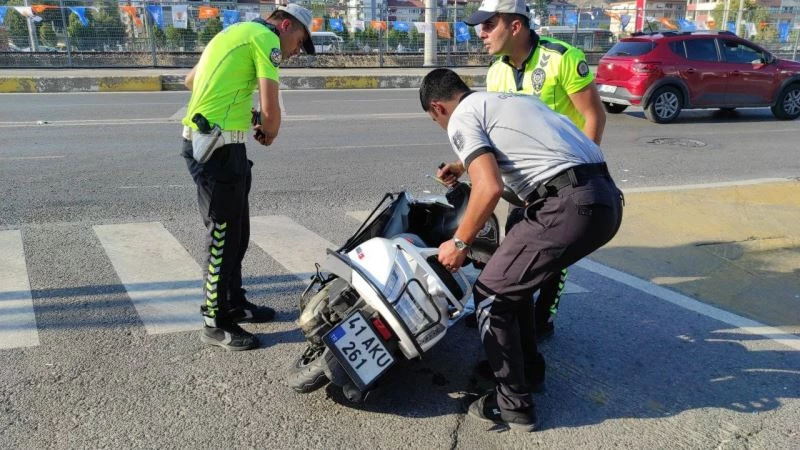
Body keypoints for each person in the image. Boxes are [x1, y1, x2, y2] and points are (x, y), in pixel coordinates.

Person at [420, 68, 622, 431]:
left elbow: (490, 187)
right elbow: (530, 162)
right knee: (515, 286)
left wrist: (460, 243)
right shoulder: (505, 101)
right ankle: (527, 371)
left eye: (434, 120)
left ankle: (512, 404)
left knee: (491, 294)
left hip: (567, 205)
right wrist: (461, 167)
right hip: (604, 199)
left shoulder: (461, 118)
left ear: (437, 108)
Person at [464, 0, 608, 339]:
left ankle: (543, 318)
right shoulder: (497, 70)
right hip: (525, 183)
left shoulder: (562, 58)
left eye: (489, 25)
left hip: (564, 182)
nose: (481, 33)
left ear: (515, 27)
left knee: (554, 257)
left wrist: (584, 170)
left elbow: (593, 116)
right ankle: (505, 310)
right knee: (520, 249)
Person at [181, 4, 315, 351]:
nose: (296, 50)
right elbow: (273, 116)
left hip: (224, 144)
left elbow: (191, 80)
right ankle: (213, 321)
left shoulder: (232, 32)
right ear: (285, 26)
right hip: (217, 149)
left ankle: (234, 302)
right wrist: (268, 129)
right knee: (223, 237)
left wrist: (245, 114)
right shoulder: (265, 39)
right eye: (299, 41)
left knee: (238, 233)